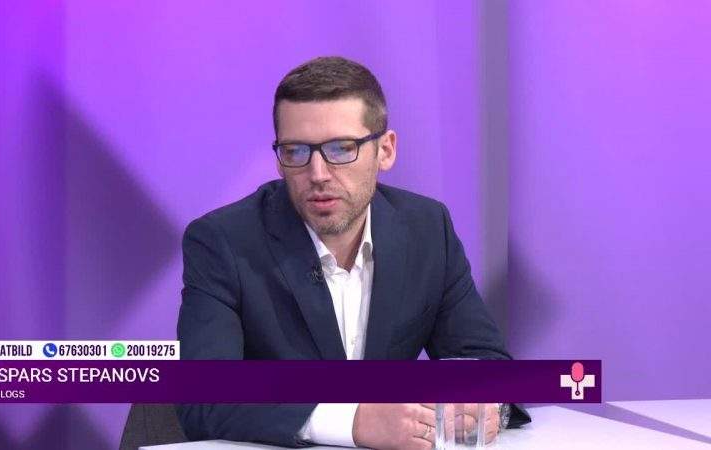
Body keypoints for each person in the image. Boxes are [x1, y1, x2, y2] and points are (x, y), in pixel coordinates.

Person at [177, 56, 530, 449]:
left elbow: (484, 360)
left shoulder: (428, 229)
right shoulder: (223, 242)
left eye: (341, 149)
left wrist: (486, 405)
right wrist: (353, 423)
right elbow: (203, 396)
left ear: (385, 150)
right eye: (295, 152)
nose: (318, 174)